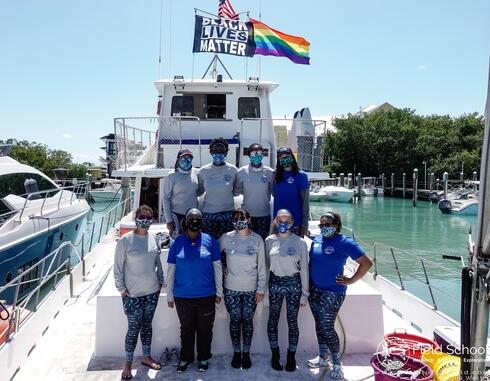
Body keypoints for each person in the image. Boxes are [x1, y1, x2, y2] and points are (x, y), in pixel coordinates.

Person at [307, 212, 372, 379]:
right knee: (319, 325)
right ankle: (323, 358)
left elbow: (366, 263)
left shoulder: (345, 242)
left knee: (327, 328)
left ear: (336, 226)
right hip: (314, 289)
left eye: (328, 225)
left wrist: (351, 280)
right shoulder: (317, 240)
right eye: (321, 225)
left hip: (333, 292)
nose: (324, 228)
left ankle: (337, 363)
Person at [166, 208, 223, 373]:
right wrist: (170, 295)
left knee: (205, 329)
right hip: (182, 296)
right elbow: (171, 270)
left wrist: (219, 292)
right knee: (186, 329)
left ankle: (203, 357)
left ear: (202, 222)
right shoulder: (177, 242)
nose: (194, 221)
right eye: (191, 218)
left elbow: (217, 268)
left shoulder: (210, 241)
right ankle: (186, 358)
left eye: (198, 218)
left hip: (206, 295)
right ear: (186, 221)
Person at [113, 205, 164, 380]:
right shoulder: (125, 240)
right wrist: (121, 290)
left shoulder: (153, 238)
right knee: (133, 328)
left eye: (149, 218)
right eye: (142, 216)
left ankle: (146, 357)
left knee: (147, 325)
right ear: (136, 218)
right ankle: (127, 364)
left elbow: (157, 262)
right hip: (132, 295)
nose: (145, 220)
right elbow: (118, 268)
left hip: (152, 292)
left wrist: (161, 281)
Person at [219, 208, 267, 369]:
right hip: (231, 288)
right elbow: (214, 257)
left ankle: (246, 353)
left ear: (249, 219)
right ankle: (236, 352)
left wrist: (261, 289)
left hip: (251, 289)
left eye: (242, 218)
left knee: (247, 321)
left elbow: (262, 267)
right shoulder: (226, 238)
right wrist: (222, 265)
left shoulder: (258, 239)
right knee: (234, 321)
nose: (239, 221)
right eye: (236, 218)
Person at [265, 209, 309, 372]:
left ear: (292, 223)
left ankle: (291, 356)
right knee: (273, 320)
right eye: (280, 220)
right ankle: (275, 355)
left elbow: (304, 269)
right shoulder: (269, 241)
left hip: (294, 285)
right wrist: (265, 291)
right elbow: (266, 267)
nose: (283, 223)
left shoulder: (300, 242)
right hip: (274, 284)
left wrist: (305, 293)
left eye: (287, 220)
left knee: (292, 322)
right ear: (275, 221)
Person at [198, 137, 238, 240]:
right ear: (211, 152)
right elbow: (200, 190)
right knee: (209, 244)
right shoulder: (203, 171)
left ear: (226, 153)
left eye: (221, 151)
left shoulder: (233, 170)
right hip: (208, 215)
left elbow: (236, 191)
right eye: (215, 151)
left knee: (226, 246)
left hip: (228, 215)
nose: (218, 154)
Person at [235, 143, 274, 240]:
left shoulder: (270, 172)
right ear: (249, 155)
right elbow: (237, 191)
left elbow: (274, 192)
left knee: (261, 241)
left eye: (259, 153)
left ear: (263, 154)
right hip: (247, 216)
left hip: (264, 215)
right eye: (253, 153)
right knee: (246, 242)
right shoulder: (241, 172)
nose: (256, 155)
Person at [162, 149, 201, 238]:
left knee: (193, 240)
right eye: (183, 157)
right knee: (177, 242)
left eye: (189, 158)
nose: (186, 160)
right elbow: (166, 198)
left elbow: (199, 191)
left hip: (193, 216)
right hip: (176, 215)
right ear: (178, 159)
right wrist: (169, 220)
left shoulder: (196, 172)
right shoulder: (171, 176)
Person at [273, 147, 310, 237]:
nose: (284, 159)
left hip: (295, 222)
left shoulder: (302, 176)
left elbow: (305, 202)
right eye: (281, 157)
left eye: (287, 156)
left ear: (292, 157)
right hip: (278, 222)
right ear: (278, 160)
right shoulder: (275, 176)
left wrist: (305, 224)